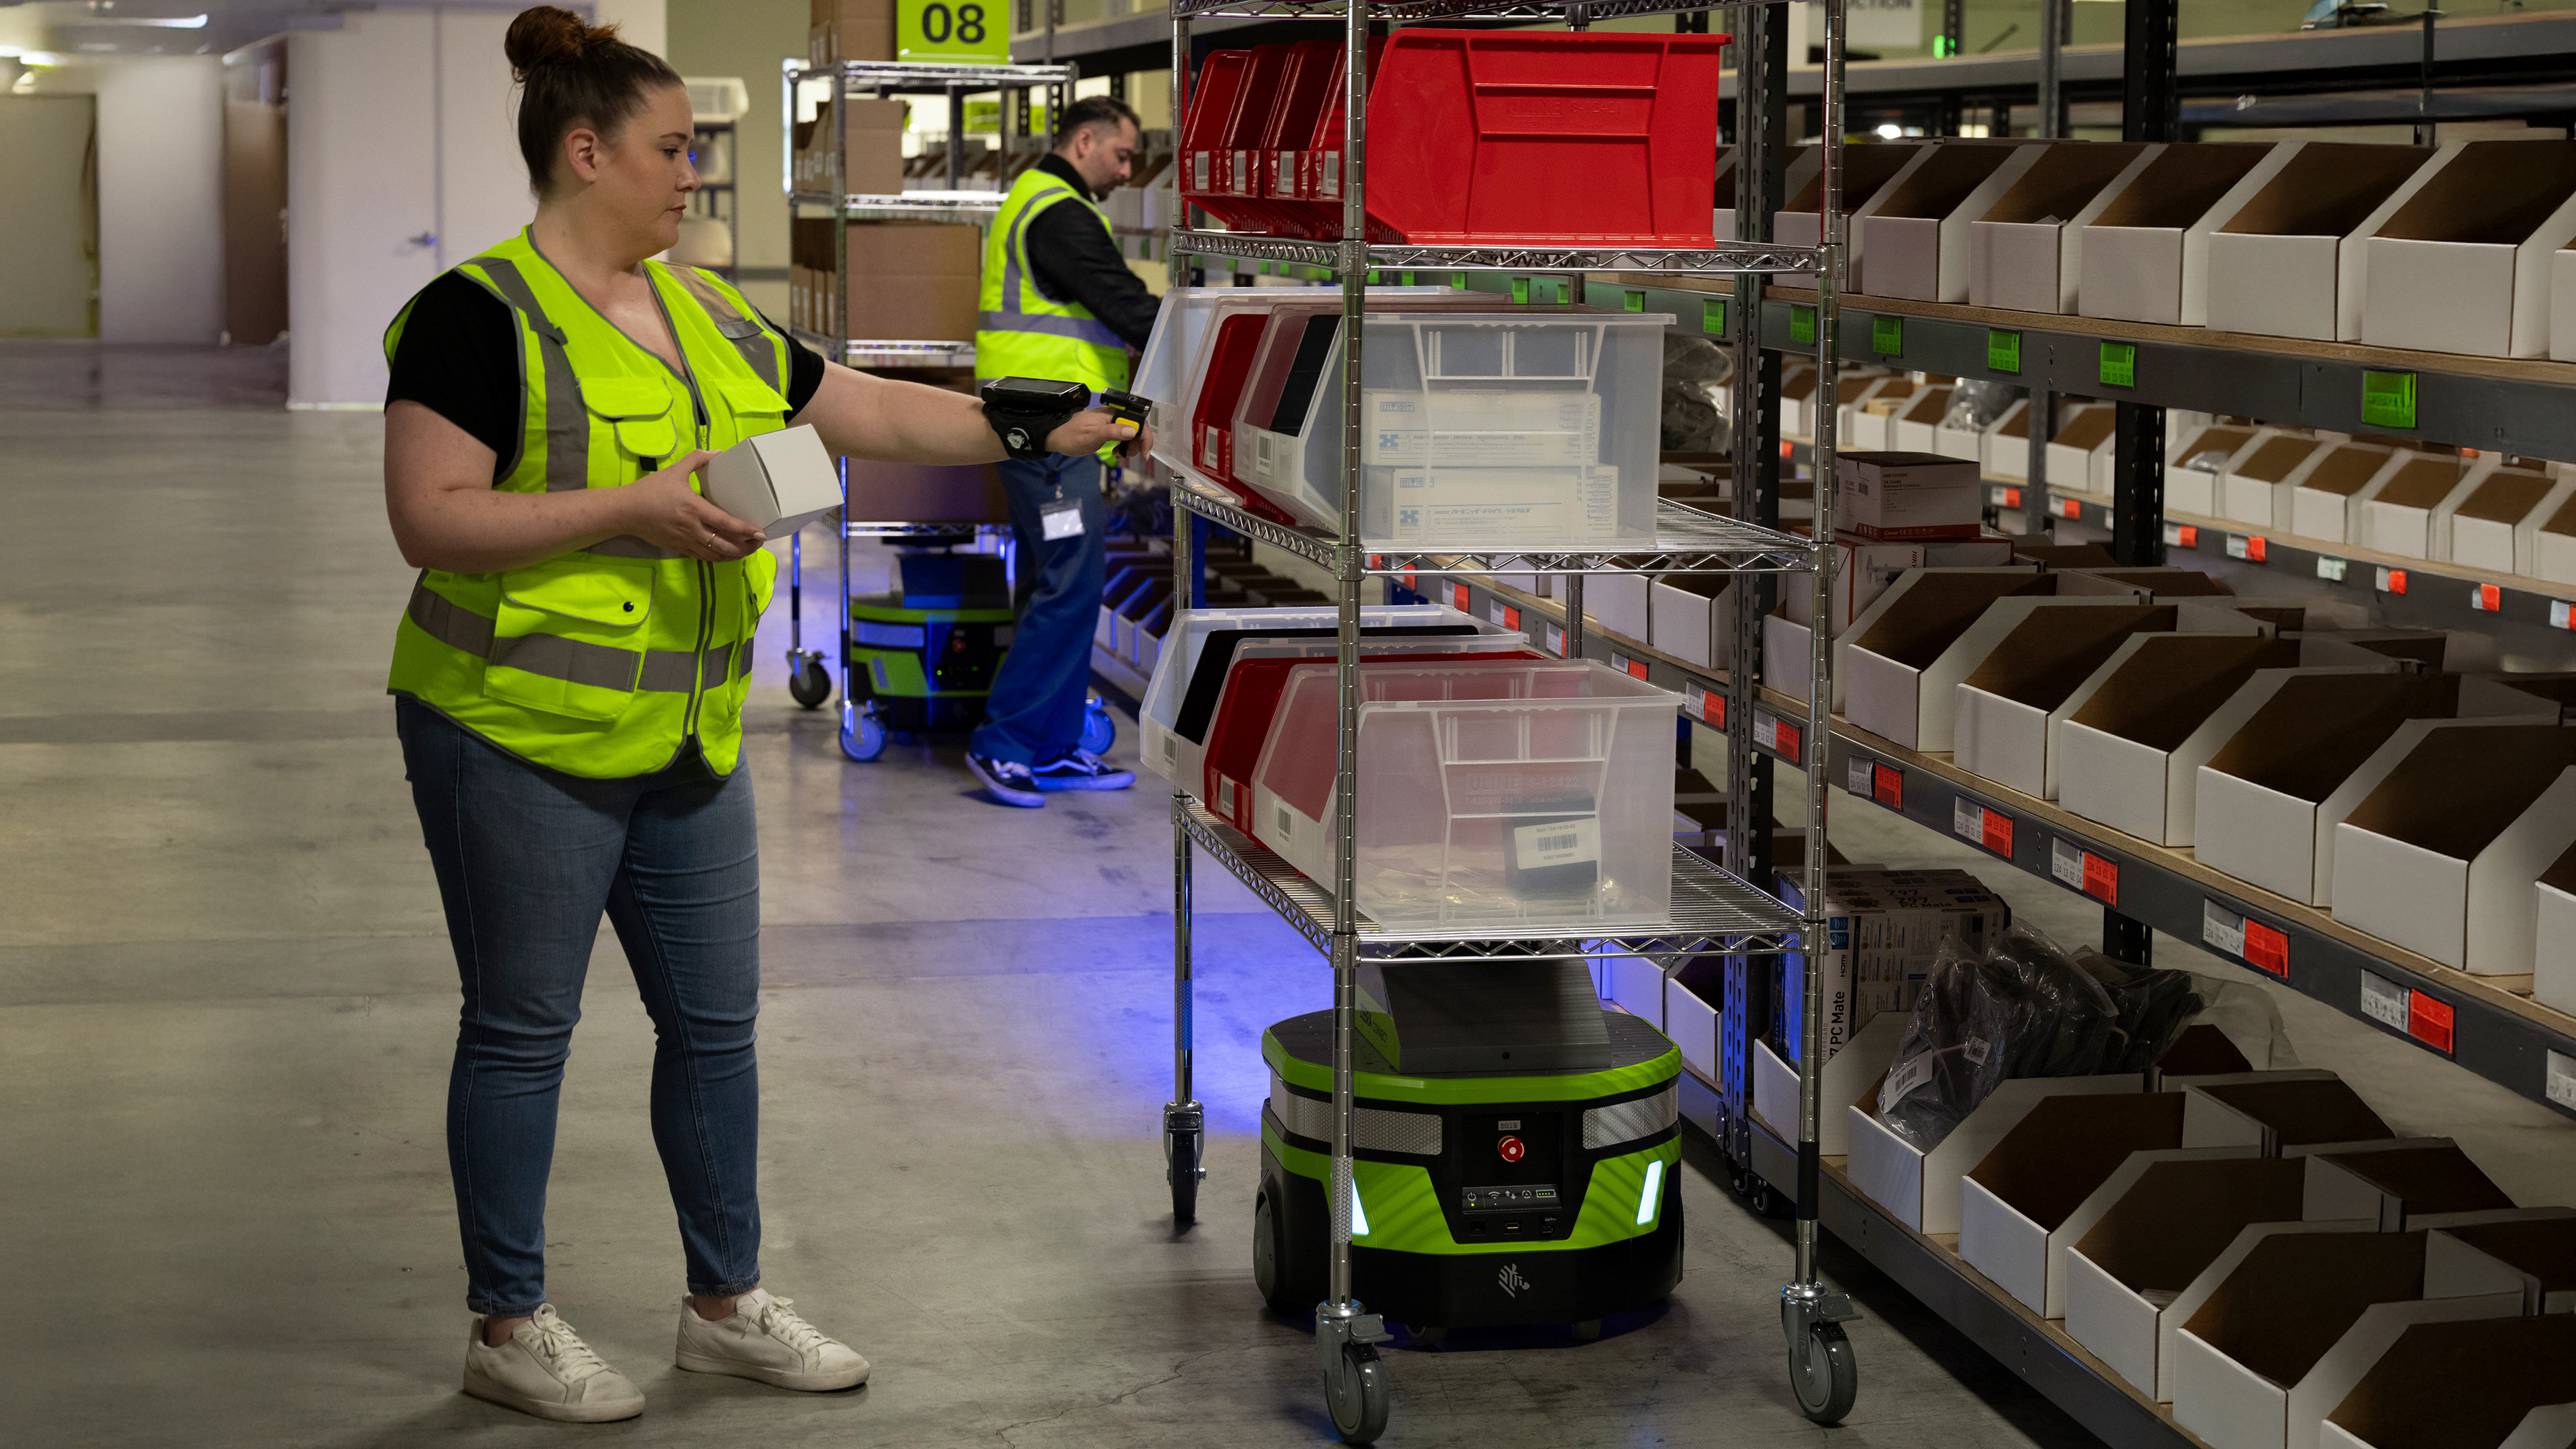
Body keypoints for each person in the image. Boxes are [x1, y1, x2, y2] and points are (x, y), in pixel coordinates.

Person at [379, 8, 1142, 1423]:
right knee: (523, 1026)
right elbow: (429, 519)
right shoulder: (474, 316)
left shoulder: (704, 306)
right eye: (672, 151)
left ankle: (724, 1304)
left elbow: (850, 409)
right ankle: (506, 1320)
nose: (691, 175)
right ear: (584, 149)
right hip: (511, 733)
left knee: (715, 1025)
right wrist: (636, 504)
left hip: (685, 733)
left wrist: (1021, 422)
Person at [965, 95, 1164, 808]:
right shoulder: (1058, 211)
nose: (1126, 169)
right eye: (1120, 154)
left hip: (1054, 425)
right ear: (1084, 141)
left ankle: (1048, 747)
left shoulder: (1039, 200)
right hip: (1047, 430)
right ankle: (1007, 745)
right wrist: (1193, 337)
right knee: (1070, 581)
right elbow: (1117, 299)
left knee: (1056, 581)